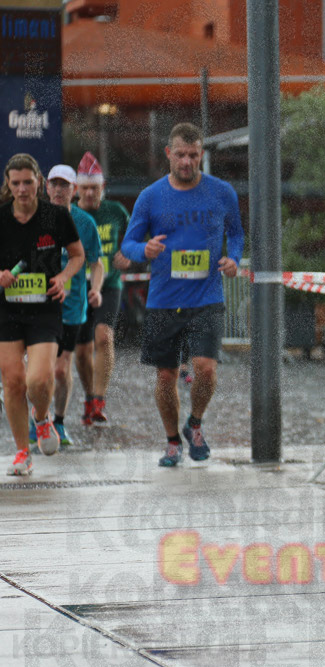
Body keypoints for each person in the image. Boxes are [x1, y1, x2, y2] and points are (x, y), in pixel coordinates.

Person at [120, 122, 244, 467]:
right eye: (180, 155)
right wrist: (143, 249)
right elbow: (128, 244)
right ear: (168, 155)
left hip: (206, 297)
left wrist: (233, 259)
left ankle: (195, 423)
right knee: (165, 376)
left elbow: (236, 234)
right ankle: (173, 440)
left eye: (193, 155)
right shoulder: (150, 197)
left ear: (201, 154)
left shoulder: (222, 193)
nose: (187, 161)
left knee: (205, 368)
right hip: (163, 300)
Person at [0, 154, 85, 475]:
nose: (22, 189)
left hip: (45, 307)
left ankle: (42, 418)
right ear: (8, 184)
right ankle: (22, 452)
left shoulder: (56, 216)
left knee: (38, 378)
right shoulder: (1, 218)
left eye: (28, 182)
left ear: (39, 181)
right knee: (12, 381)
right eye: (16, 183)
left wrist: (63, 277)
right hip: (7, 309)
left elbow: (77, 256)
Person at [41, 165, 103, 448]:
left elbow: (96, 263)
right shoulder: (35, 220)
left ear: (74, 190)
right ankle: (39, 420)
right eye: (53, 184)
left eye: (64, 185)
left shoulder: (85, 224)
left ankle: (59, 421)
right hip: (39, 306)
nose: (58, 190)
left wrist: (96, 289)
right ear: (46, 187)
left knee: (59, 369)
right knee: (41, 370)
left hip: (73, 305)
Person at [74, 152, 131, 425]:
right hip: (77, 286)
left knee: (104, 337)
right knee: (82, 350)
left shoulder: (115, 211)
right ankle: (88, 397)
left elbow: (134, 237)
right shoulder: (70, 215)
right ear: (76, 189)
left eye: (93, 188)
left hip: (108, 283)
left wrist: (129, 254)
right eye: (84, 188)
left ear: (102, 188)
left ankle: (99, 399)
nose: (88, 193)